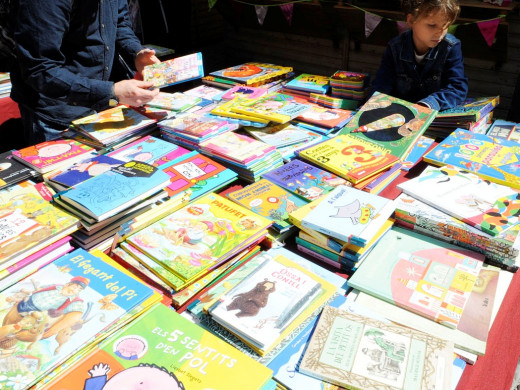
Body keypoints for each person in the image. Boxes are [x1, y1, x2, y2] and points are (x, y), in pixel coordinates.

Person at [9, 0, 161, 145]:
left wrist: (136, 53)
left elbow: (120, 23)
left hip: (99, 102)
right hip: (56, 115)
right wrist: (110, 93)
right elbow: (40, 70)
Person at [369, 0, 468, 111]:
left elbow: (457, 88)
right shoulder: (395, 47)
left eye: (445, 25)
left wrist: (429, 104)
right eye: (432, 25)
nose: (440, 32)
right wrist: (372, 105)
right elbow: (382, 84)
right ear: (411, 20)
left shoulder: (451, 47)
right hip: (398, 115)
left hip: (434, 116)